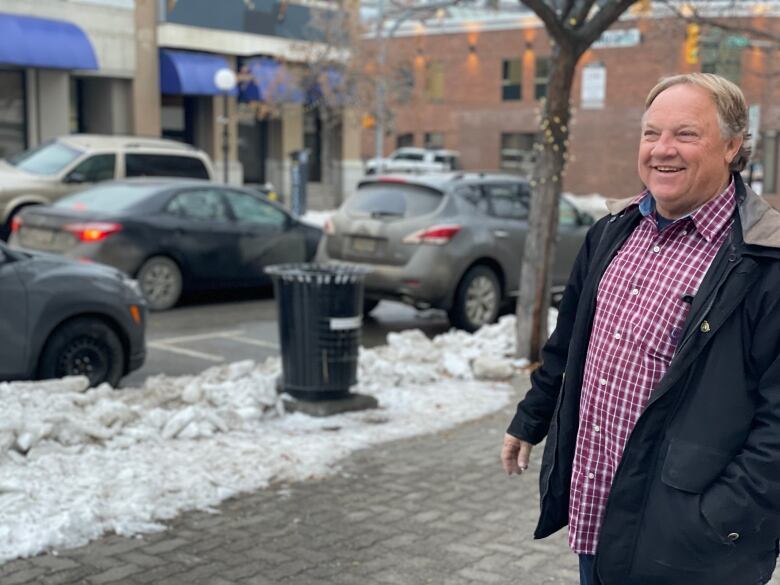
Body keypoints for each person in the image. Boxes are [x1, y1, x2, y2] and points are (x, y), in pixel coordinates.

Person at [501, 72, 780, 585]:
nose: (662, 150)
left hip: (692, 543)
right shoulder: (611, 231)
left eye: (686, 134)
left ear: (733, 145)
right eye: (651, 133)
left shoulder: (765, 261)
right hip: (598, 510)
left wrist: (723, 517)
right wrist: (529, 418)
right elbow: (569, 347)